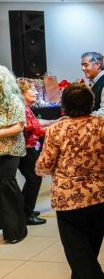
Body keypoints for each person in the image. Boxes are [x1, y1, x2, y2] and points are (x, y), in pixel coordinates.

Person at [36, 83, 104, 278]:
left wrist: (41, 170)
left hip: (69, 198)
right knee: (90, 248)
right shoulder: (103, 125)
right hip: (101, 195)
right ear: (90, 103)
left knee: (77, 250)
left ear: (64, 104)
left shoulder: (57, 129)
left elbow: (44, 164)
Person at [0, 65, 28, 244]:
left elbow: (18, 127)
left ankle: (16, 230)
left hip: (9, 151)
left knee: (6, 188)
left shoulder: (14, 100)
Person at [16, 78, 47, 225]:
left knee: (32, 179)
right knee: (34, 178)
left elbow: (36, 126)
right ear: (22, 93)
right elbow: (35, 129)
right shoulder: (21, 109)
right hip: (25, 150)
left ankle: (25, 210)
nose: (36, 92)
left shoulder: (26, 108)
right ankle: (27, 214)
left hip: (29, 148)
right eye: (32, 89)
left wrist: (55, 122)